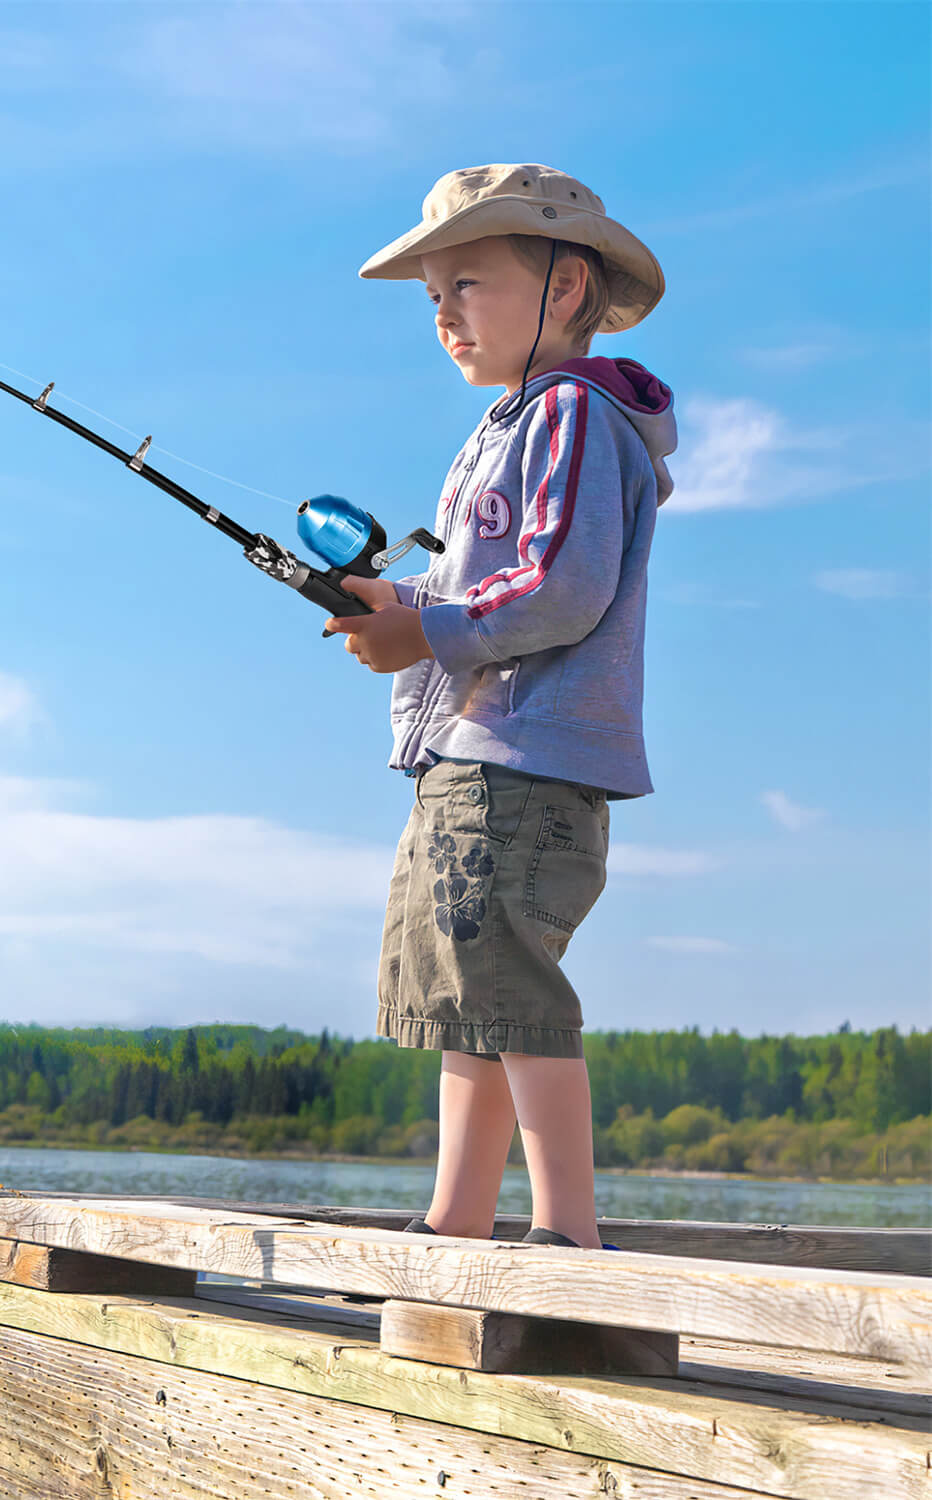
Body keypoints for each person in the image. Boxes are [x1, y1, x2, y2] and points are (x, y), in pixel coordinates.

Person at [327, 164, 678, 1249]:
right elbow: (502, 579)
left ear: (565, 286)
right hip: (472, 756)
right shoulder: (510, 423)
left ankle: (568, 1234)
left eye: (466, 285)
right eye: (434, 297)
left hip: (520, 762)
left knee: (507, 987)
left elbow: (561, 587)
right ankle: (457, 1223)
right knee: (462, 1002)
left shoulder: (570, 414)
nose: (444, 316)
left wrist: (424, 631)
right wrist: (407, 602)